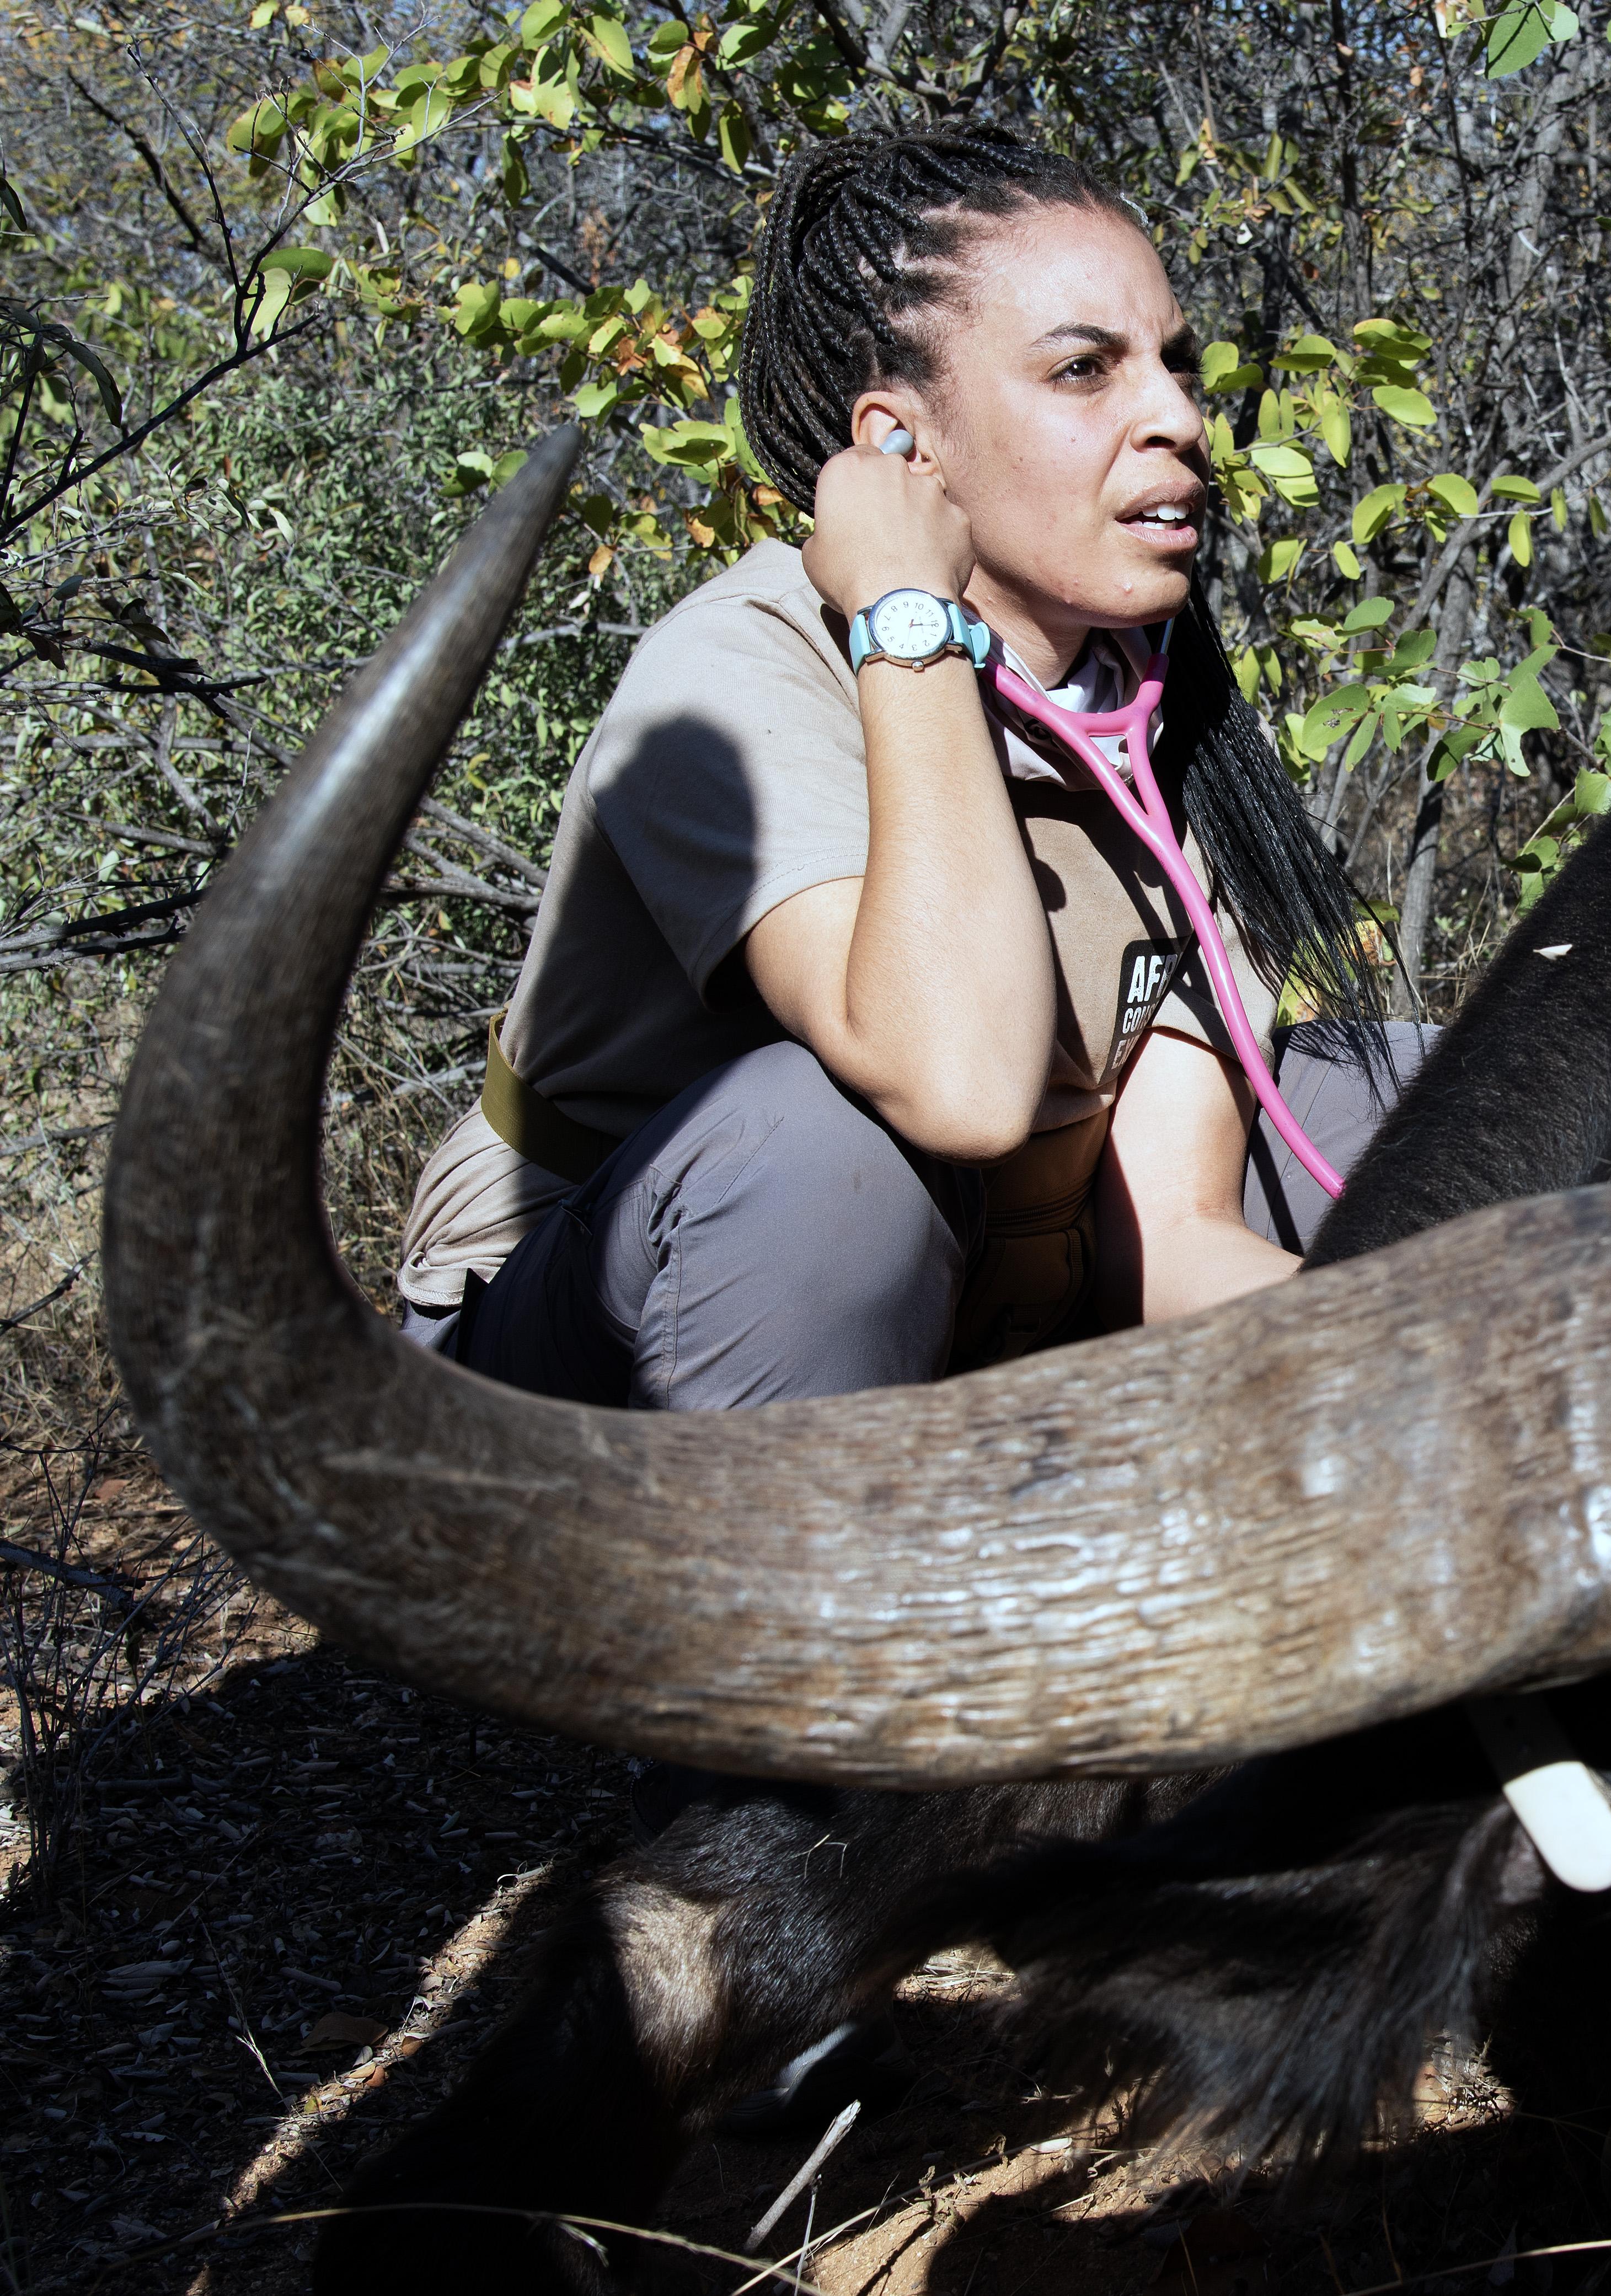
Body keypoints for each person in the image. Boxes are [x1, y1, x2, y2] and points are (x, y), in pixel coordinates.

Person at [395, 124, 1419, 1412]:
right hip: (586, 1377)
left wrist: (1439, 1351)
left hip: (986, 1294)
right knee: (819, 1145)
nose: (1177, 418)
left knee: (1431, 1091)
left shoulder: (1154, 696)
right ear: (899, 447)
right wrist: (905, 614)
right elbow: (960, 1088)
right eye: (1083, 371)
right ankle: (781, 1609)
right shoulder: (739, 665)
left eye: (1173, 363)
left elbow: (1165, 1226)